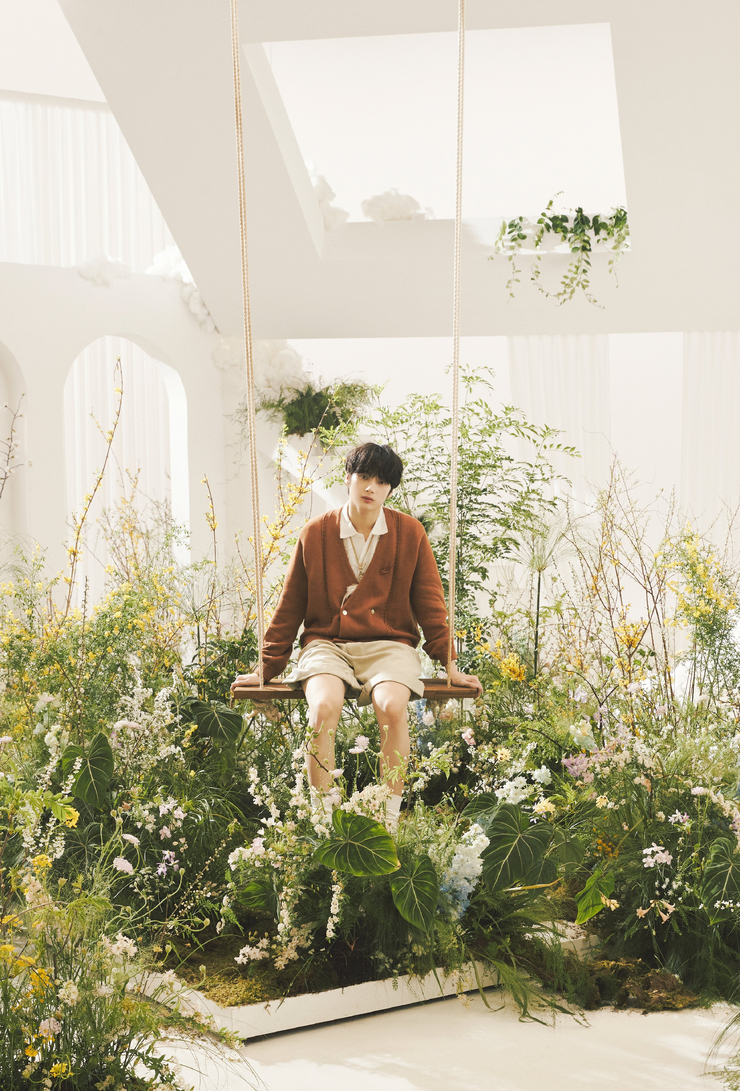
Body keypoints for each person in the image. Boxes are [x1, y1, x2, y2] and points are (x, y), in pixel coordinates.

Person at [233, 442, 481, 824]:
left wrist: (449, 663)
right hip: (327, 644)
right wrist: (265, 668)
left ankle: (388, 819)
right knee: (323, 707)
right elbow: (290, 605)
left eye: (381, 482)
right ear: (347, 477)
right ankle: (324, 820)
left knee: (392, 706)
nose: (370, 487)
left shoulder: (410, 533)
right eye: (364, 476)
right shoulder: (315, 533)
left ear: (390, 489)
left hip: (390, 645)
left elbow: (431, 604)